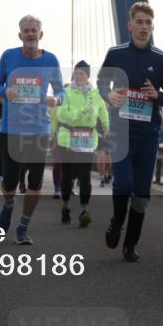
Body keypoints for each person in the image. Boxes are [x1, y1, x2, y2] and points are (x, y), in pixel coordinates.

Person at [99, 2, 163, 262]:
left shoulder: (161, 59)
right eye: (140, 22)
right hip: (122, 132)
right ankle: (116, 221)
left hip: (148, 135)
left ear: (152, 27)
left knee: (142, 195)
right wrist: (108, 94)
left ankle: (130, 244)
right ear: (130, 25)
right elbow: (101, 83)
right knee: (123, 184)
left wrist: (158, 96)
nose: (144, 27)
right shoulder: (116, 53)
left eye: (148, 23)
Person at [0, 15, 64, 245]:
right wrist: (6, 92)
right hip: (12, 128)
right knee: (10, 181)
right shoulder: (8, 56)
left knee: (35, 180)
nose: (31, 34)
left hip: (39, 129)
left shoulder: (51, 59)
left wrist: (57, 100)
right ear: (20, 35)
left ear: (41, 34)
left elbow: (61, 91)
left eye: (34, 30)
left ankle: (23, 227)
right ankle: (9, 204)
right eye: (27, 31)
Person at [56, 60, 109, 227]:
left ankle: (84, 209)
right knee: (68, 175)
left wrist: (106, 125)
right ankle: (65, 206)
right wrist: (81, 113)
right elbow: (61, 114)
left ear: (87, 76)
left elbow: (103, 110)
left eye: (82, 74)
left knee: (85, 176)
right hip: (67, 139)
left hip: (87, 139)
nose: (79, 76)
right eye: (76, 73)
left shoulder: (96, 93)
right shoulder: (66, 92)